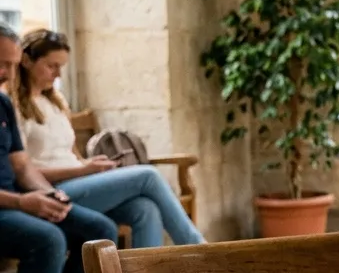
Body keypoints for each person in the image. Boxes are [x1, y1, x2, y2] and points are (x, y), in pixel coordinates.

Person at [0, 24, 119, 273]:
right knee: (48, 239)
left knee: (99, 231)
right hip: (8, 205)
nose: (7, 73)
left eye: (11, 65)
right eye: (1, 64)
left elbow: (22, 167)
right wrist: (23, 201)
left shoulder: (2, 104)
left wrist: (49, 194)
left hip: (16, 200)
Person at [11, 30, 205, 249]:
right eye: (51, 66)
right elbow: (23, 171)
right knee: (148, 175)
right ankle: (199, 251)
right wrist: (82, 171)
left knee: (145, 209)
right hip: (51, 191)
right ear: (26, 61)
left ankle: (145, 272)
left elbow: (71, 156)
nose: (58, 74)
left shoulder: (55, 102)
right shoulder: (14, 109)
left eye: (61, 67)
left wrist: (92, 165)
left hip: (78, 182)